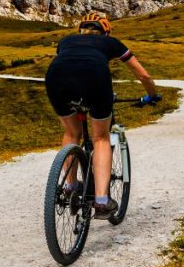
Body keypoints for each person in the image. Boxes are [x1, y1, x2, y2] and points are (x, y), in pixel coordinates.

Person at [45, 12, 159, 219]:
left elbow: (69, 61)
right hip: (95, 77)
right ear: (106, 31)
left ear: (81, 29)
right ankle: (101, 201)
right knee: (101, 137)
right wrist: (152, 95)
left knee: (71, 133)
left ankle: (70, 187)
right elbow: (143, 75)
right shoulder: (112, 43)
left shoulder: (66, 41)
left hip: (55, 77)